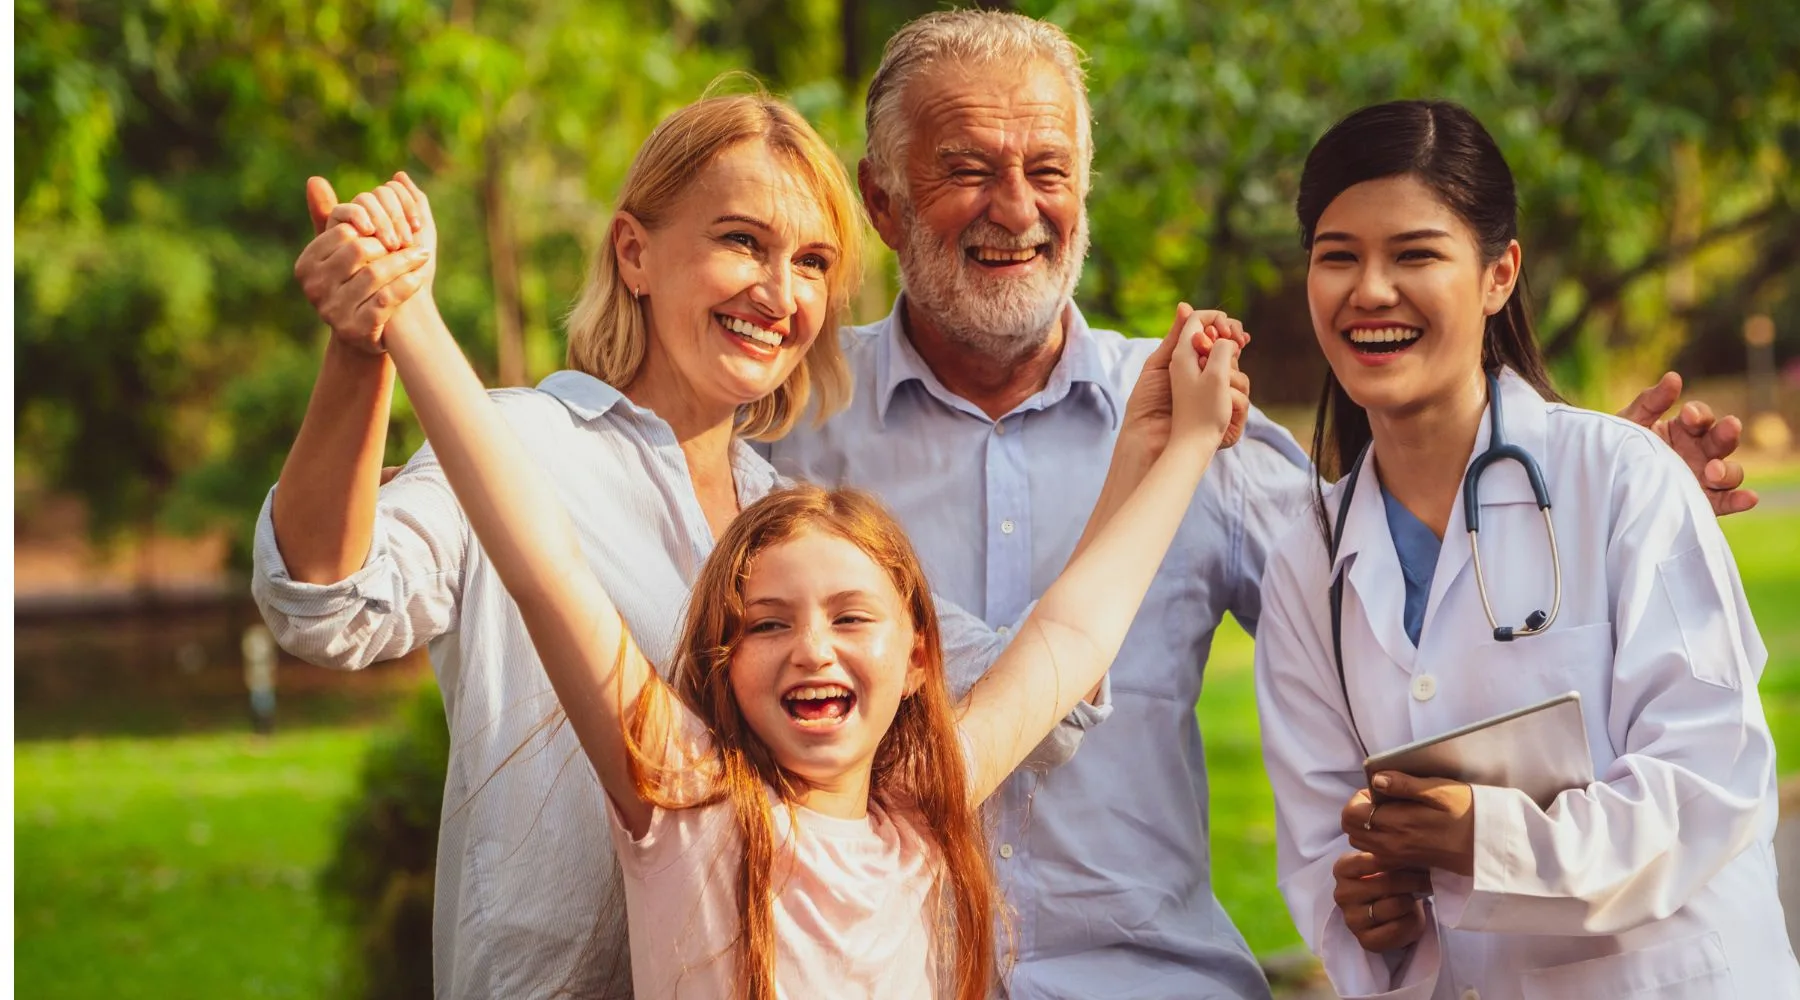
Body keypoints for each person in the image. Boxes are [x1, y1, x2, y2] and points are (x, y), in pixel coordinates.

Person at [767, 10, 1758, 998]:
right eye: (968, 169)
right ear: (882, 201)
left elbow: (1414, 592)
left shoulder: (1199, 416)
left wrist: (1589, 495)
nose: (1017, 207)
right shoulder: (787, 437)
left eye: (1050, 169)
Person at [254, 93, 1032, 997]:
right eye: (742, 241)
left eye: (813, 262)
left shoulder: (793, 532)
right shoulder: (518, 443)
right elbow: (329, 602)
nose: (779, 293)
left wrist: (1142, 445)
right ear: (634, 253)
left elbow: (1012, 674)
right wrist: (366, 348)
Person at [367, 208, 1246, 994]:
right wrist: (408, 317)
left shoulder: (924, 813)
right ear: (723, 662)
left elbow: (1075, 631)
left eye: (852, 617)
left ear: (917, 658)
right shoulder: (687, 807)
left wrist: (1183, 444)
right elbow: (545, 568)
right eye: (768, 624)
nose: (813, 648)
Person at [1253, 99, 1800, 999]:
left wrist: (1487, 838)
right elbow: (1321, 848)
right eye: (1338, 256)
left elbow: (1711, 780)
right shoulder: (1307, 562)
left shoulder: (1621, 479)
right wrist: (1367, 912)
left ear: (1499, 274)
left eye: (1415, 254)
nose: (1371, 291)